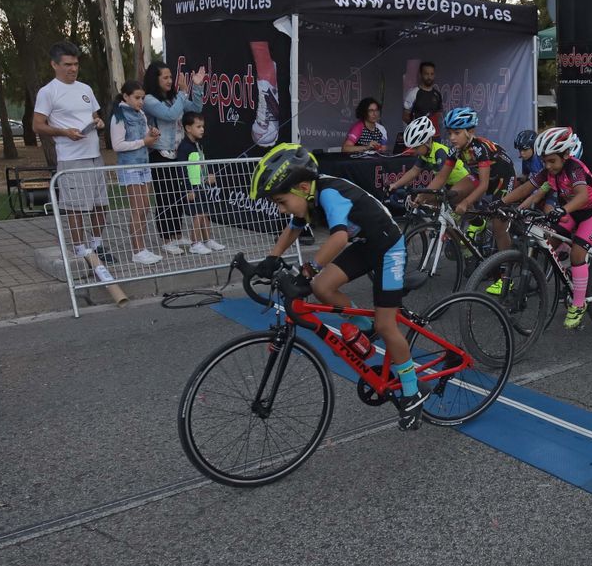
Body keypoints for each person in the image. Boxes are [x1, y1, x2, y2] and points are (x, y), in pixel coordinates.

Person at [250, 144, 421, 429]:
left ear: (303, 186)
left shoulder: (328, 192)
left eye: (281, 201)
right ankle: (365, 329)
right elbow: (293, 227)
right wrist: (271, 258)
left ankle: (412, 393)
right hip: (367, 244)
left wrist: (306, 271)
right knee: (323, 288)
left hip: (388, 246)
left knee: (388, 324)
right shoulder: (307, 196)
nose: (281, 209)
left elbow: (339, 239)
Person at [491, 126, 592, 330]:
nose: (548, 166)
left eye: (552, 161)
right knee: (549, 240)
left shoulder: (574, 168)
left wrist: (562, 210)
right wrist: (501, 202)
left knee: (577, 253)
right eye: (544, 161)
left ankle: (579, 304)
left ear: (565, 155)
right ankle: (572, 277)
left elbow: (581, 196)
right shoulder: (549, 171)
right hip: (572, 211)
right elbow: (526, 188)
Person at [32, 41, 107, 258]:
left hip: (94, 155)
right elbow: (37, 125)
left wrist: (98, 122)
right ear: (54, 65)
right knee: (76, 206)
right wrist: (65, 132)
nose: (72, 69)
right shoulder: (48, 92)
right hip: (71, 157)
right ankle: (80, 247)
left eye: (75, 64)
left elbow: (94, 115)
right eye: (67, 64)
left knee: (100, 204)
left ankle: (97, 244)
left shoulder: (85, 89)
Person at [143, 60, 207, 256]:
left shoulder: (175, 98)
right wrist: (182, 92)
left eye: (171, 77)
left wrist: (196, 85)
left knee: (179, 195)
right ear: (155, 79)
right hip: (160, 154)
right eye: (166, 77)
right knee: (165, 196)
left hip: (177, 153)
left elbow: (195, 108)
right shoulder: (149, 100)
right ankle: (166, 238)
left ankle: (177, 233)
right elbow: (170, 116)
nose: (170, 80)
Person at [109, 79, 164, 264]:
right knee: (138, 208)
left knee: (146, 207)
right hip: (129, 166)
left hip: (143, 164)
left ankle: (143, 248)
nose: (141, 102)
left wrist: (152, 133)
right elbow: (117, 145)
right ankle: (137, 250)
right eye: (137, 98)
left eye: (143, 98)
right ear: (126, 96)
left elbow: (145, 134)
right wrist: (143, 142)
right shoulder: (119, 116)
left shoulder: (140, 113)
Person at [387, 115, 475, 208]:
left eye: (416, 147)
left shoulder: (439, 152)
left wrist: (423, 196)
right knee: (431, 205)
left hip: (464, 183)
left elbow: (441, 179)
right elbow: (414, 171)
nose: (414, 151)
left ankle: (478, 222)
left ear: (427, 142)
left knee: (452, 209)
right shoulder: (425, 154)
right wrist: (395, 185)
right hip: (450, 185)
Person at [443, 106, 512, 214]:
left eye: (457, 133)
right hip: (479, 175)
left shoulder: (480, 148)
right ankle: (479, 224)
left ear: (470, 131)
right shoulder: (455, 150)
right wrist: (422, 196)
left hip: (503, 178)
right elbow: (441, 177)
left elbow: (484, 185)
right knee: (452, 195)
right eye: (449, 133)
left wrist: (465, 203)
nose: (452, 138)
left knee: (498, 220)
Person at [177, 112, 225, 255]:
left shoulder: (198, 145)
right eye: (198, 126)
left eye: (202, 126)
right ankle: (195, 243)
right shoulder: (184, 147)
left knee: (205, 213)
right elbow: (182, 170)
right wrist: (187, 189)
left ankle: (207, 239)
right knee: (197, 214)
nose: (202, 129)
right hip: (192, 187)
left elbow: (201, 164)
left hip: (201, 185)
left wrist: (208, 176)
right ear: (188, 128)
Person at [401, 60, 442, 135]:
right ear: (420, 75)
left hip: (435, 136)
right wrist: (417, 128)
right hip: (418, 136)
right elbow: (405, 116)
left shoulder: (437, 94)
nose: (429, 77)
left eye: (432, 74)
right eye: (426, 74)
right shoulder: (413, 94)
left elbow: (438, 115)